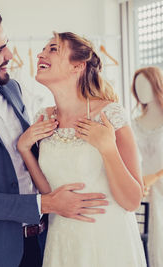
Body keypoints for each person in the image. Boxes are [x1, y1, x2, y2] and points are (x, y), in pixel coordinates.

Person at [0, 11, 108, 267]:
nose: (10, 56)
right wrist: (47, 203)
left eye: (7, 45)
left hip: (48, 241)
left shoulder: (11, 88)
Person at [17, 31, 147, 267]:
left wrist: (107, 148)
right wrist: (25, 149)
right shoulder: (43, 118)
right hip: (62, 243)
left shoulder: (110, 114)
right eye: (44, 49)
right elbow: (50, 192)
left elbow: (132, 201)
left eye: (53, 49)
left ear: (77, 66)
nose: (40, 54)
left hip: (108, 243)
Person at [131, 66, 163, 267]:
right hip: (143, 192)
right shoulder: (133, 124)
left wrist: (157, 175)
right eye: (137, 86)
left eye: (145, 84)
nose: (140, 90)